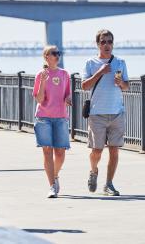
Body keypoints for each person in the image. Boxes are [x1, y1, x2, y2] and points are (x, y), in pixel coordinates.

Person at [81, 29, 129, 196]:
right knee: (97, 150)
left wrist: (121, 82)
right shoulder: (90, 62)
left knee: (114, 150)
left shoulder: (120, 62)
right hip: (97, 113)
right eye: (103, 42)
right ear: (98, 44)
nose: (107, 45)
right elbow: (84, 86)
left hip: (117, 112)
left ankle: (108, 184)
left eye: (109, 41)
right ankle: (93, 171)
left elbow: (126, 86)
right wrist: (100, 72)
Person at [33, 45, 71, 198]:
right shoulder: (40, 75)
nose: (57, 55)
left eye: (58, 53)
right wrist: (42, 82)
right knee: (47, 151)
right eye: (53, 53)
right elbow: (40, 99)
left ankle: (54, 176)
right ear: (46, 57)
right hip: (44, 117)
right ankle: (52, 186)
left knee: (60, 153)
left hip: (60, 116)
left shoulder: (64, 74)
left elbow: (67, 94)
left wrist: (68, 99)